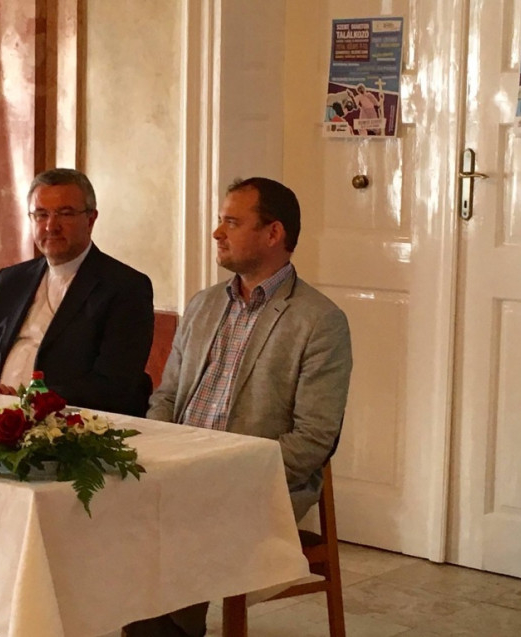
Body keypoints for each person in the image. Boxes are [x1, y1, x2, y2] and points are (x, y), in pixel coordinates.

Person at [124, 177, 352, 637]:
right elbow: (166, 397)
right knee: (101, 505)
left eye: (231, 222)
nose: (217, 233)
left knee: (184, 522)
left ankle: (166, 628)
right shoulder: (204, 304)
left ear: (273, 233)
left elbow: (313, 440)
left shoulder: (319, 321)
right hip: (177, 469)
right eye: (220, 220)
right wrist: (160, 451)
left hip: (253, 482)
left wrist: (224, 474)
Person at [0, 168, 154, 418]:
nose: (51, 226)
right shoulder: (10, 280)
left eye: (65, 214)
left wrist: (28, 400)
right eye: (41, 214)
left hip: (69, 425)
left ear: (90, 219)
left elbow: (113, 384)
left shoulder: (125, 287)